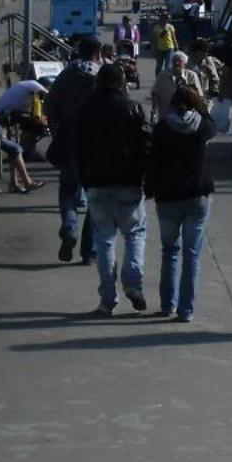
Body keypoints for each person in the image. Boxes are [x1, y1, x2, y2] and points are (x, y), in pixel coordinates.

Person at [72, 62, 150, 315]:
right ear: (121, 83)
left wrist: (82, 176)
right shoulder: (134, 108)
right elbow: (146, 145)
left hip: (96, 183)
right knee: (135, 234)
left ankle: (107, 299)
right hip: (129, 181)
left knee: (104, 240)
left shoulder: (85, 111)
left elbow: (77, 148)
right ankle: (133, 285)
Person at [147, 84, 215, 321]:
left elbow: (153, 160)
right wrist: (201, 107)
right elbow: (213, 124)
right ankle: (186, 310)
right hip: (197, 194)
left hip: (167, 196)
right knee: (191, 253)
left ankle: (168, 305)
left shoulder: (162, 128)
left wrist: (150, 186)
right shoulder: (203, 127)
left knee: (169, 251)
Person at [46, 38, 103, 264]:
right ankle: (89, 252)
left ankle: (70, 229)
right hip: (97, 145)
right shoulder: (103, 76)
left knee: (68, 190)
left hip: (69, 141)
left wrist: (56, 129)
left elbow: (49, 103)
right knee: (95, 198)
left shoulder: (67, 74)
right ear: (98, 54)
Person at [0, 70, 50, 194]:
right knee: (16, 149)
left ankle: (14, 183)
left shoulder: (28, 89)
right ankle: (25, 182)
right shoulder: (37, 88)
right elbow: (43, 107)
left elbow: (35, 113)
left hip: (5, 115)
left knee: (14, 149)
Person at [151, 50, 204, 122]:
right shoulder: (163, 75)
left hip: (186, 120)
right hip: (165, 117)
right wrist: (154, 110)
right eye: (174, 61)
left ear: (185, 64)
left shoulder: (191, 76)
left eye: (179, 61)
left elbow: (199, 96)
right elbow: (154, 92)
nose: (176, 63)